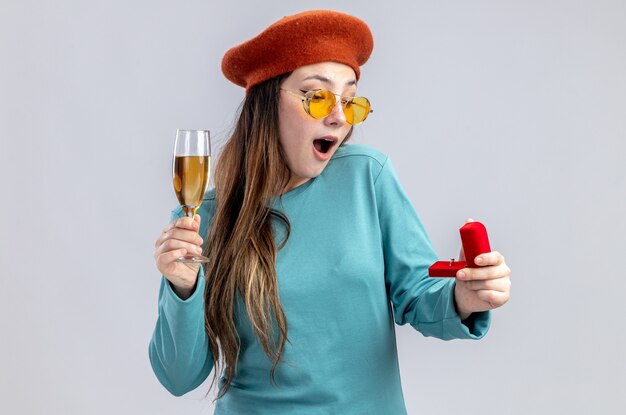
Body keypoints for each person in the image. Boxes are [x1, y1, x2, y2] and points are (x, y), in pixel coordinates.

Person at [149, 10, 511, 415]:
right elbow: (179, 377)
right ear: (268, 102)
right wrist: (182, 289)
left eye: (350, 101)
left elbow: (420, 295)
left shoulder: (367, 178)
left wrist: (464, 296)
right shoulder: (207, 217)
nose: (338, 117)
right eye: (317, 96)